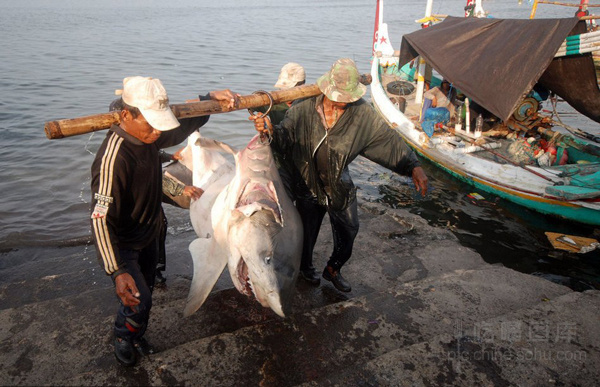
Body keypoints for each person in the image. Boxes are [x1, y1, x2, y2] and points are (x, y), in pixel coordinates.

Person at [91, 76, 238, 367]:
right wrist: (117, 270)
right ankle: (123, 336)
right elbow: (99, 219)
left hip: (149, 233)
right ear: (125, 116)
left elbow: (185, 125)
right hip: (125, 244)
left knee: (148, 290)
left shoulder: (150, 134)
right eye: (151, 123)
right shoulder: (112, 160)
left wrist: (208, 96)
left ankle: (137, 333)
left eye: (161, 123)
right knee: (138, 298)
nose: (158, 131)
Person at [250, 58, 428, 293]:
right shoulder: (303, 109)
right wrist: (270, 130)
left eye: (346, 99)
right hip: (307, 182)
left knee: (349, 229)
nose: (339, 104)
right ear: (326, 89)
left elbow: (387, 140)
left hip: (338, 183)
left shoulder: (361, 113)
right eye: (336, 98)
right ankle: (306, 268)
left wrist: (413, 165)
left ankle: (333, 268)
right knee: (307, 232)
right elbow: (285, 138)